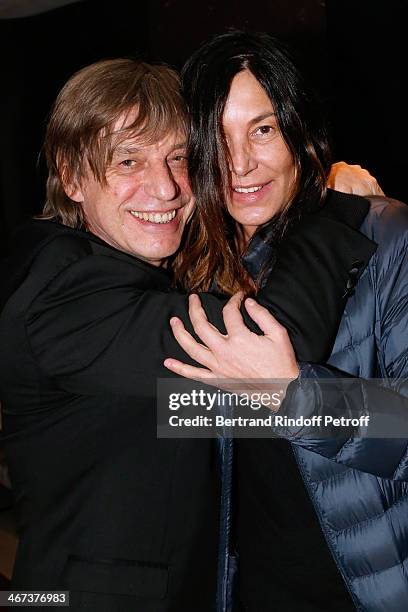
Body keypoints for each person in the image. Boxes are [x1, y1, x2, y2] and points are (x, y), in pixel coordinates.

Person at [0, 56, 368, 611]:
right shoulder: (69, 295)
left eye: (181, 158)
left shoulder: (125, 274)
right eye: (128, 161)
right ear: (71, 177)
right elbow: (271, 341)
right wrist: (330, 209)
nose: (167, 188)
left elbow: (197, 408)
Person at [164, 31, 408, 611]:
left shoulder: (383, 235)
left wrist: (293, 393)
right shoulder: (189, 263)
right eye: (219, 138)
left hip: (364, 587)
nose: (242, 164)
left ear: (298, 131)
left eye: (263, 129)